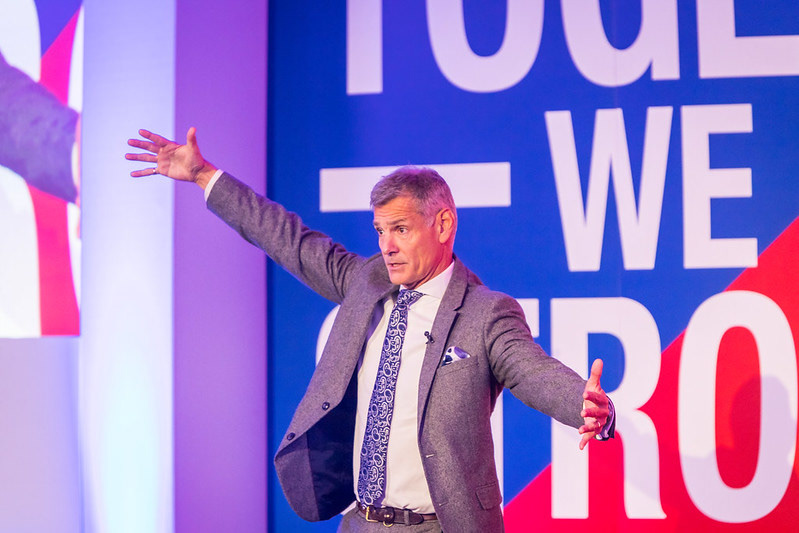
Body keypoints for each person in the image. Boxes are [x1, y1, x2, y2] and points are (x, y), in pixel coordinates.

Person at [126, 128, 615, 532]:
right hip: (360, 523)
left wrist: (584, 405)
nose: (387, 245)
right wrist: (205, 176)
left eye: (400, 229)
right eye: (380, 231)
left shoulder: (486, 312)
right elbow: (286, 238)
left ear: (443, 225)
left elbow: (531, 369)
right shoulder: (364, 282)